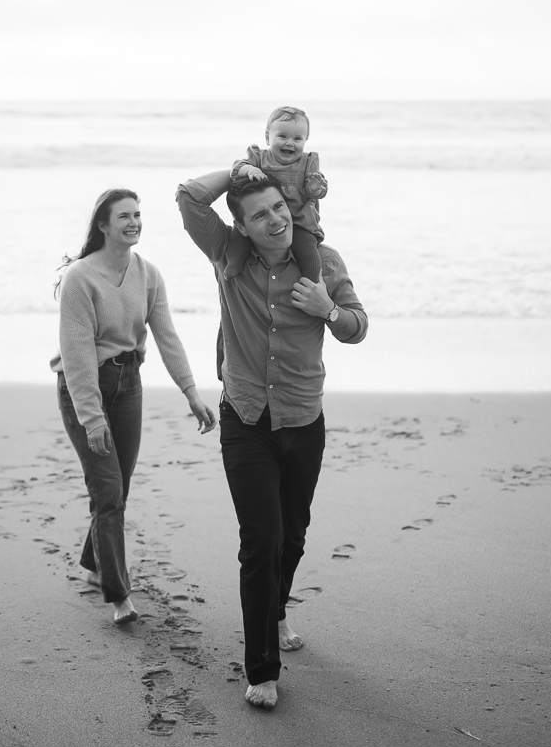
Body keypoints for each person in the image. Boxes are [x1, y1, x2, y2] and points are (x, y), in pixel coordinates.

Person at [176, 169, 367, 708]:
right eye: (259, 214)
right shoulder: (227, 256)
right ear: (241, 226)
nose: (275, 219)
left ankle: (277, 608)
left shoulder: (323, 263)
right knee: (261, 540)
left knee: (293, 534)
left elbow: (358, 325)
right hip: (245, 420)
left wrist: (327, 310)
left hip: (303, 420)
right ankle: (262, 668)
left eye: (279, 207)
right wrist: (240, 171)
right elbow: (189, 197)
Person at [52, 188, 216, 626]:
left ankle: (93, 565)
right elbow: (77, 356)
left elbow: (167, 337)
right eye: (124, 216)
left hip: (129, 384)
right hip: (83, 388)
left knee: (118, 487)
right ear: (103, 226)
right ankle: (118, 594)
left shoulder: (148, 274)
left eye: (138, 215)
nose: (134, 222)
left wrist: (191, 393)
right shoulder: (79, 279)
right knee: (107, 492)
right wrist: (91, 419)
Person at [226, 105, 327, 283]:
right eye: (282, 136)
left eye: (297, 138)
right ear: (267, 137)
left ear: (306, 140)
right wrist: (250, 170)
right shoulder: (259, 158)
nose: (289, 143)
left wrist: (314, 189)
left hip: (299, 220)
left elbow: (319, 191)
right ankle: (234, 263)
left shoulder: (308, 162)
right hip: (266, 216)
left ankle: (311, 282)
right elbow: (236, 167)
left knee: (307, 248)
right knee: (239, 236)